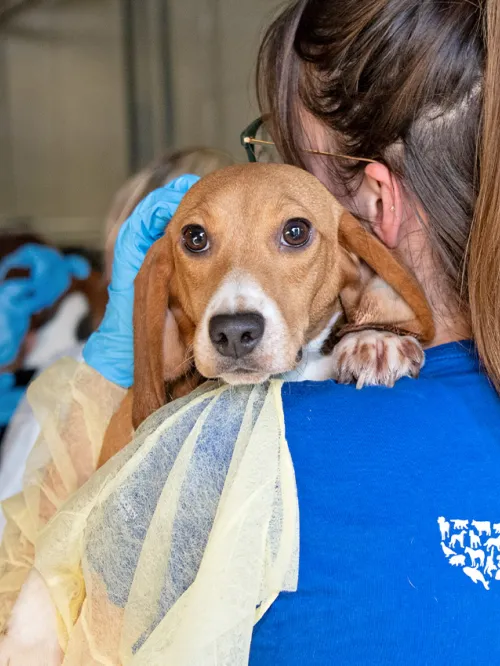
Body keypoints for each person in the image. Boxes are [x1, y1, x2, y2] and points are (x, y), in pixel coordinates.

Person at [1, 0, 499, 662]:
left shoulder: (235, 453)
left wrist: (109, 376)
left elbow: (56, 618)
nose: (261, 172)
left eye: (283, 161)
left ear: (374, 203)